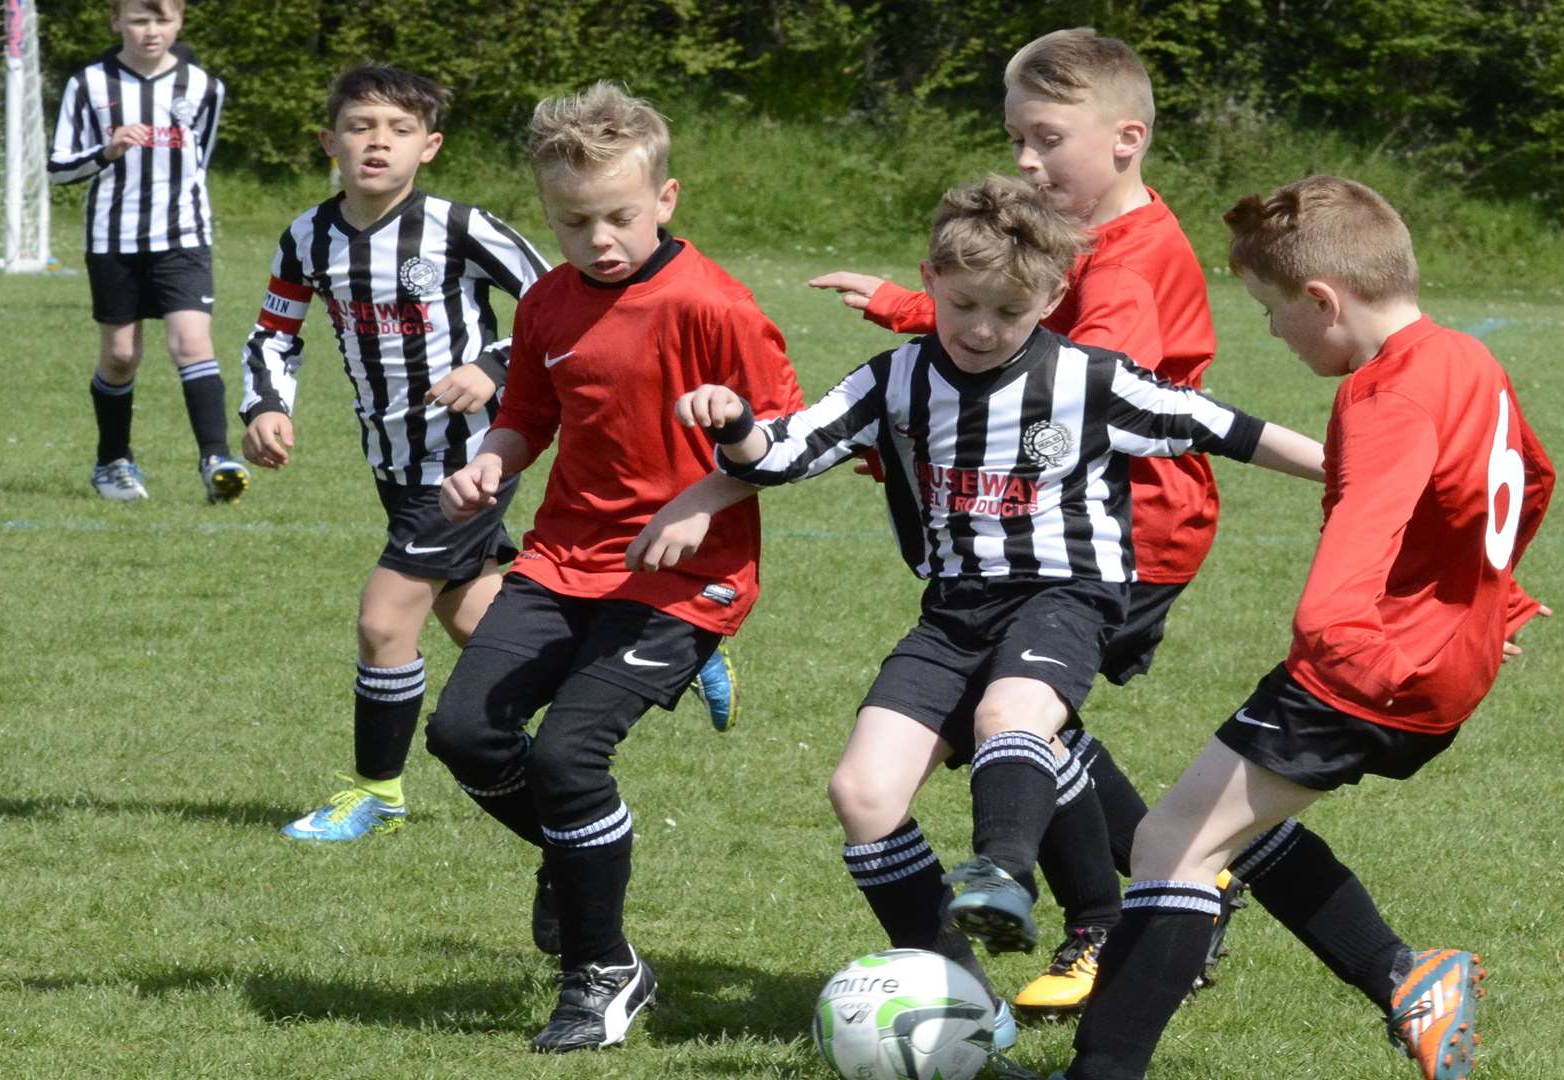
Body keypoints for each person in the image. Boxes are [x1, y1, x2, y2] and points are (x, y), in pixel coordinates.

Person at [646, 174, 1324, 1051]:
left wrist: (1359, 472)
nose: (980, 328)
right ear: (929, 278)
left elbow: (1227, 428)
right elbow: (782, 454)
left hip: (1065, 595)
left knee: (1013, 715)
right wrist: (733, 422)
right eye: (964, 303)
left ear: (1050, 298)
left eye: (1008, 311)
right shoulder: (893, 379)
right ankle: (970, 1007)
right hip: (954, 611)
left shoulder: (1086, 378)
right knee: (861, 793)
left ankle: (1003, 873)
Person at [1050, 175, 1556, 1080]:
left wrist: (1345, 645)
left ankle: (1102, 1071)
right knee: (1236, 820)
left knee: (1171, 847)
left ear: (1323, 299)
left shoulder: (1384, 398)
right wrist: (1490, 597)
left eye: (1271, 309)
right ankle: (1406, 976)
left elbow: (1354, 550)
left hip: (1367, 669)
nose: (1271, 330)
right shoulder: (1465, 358)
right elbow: (1531, 477)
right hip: (1438, 663)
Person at [809, 27, 1248, 1014]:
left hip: (1125, 531)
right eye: (1016, 139)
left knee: (1003, 715)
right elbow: (1002, 336)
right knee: (1017, 721)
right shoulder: (1095, 243)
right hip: (1056, 527)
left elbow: (1049, 388)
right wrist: (903, 319)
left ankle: (1132, 905)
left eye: (1046, 140)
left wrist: (900, 421)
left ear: (1124, 139)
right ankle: (1169, 887)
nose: (1025, 160)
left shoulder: (1130, 268)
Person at [423, 82, 804, 1054]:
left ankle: (601, 973)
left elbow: (791, 441)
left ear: (666, 199)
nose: (598, 239)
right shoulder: (548, 301)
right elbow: (532, 415)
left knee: (566, 758)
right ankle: (575, 857)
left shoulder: (713, 304)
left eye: (619, 217)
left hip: (687, 577)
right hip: (563, 557)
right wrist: (491, 463)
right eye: (572, 221)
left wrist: (705, 495)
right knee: (466, 733)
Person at [237, 65, 550, 842]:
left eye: (399, 129)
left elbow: (559, 300)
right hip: (393, 456)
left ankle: (376, 792)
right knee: (479, 622)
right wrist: (268, 404)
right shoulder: (308, 235)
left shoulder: (458, 227)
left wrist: (494, 366)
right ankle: (660, 646)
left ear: (430, 146)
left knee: (383, 622)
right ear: (329, 142)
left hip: (473, 454)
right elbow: (277, 331)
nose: (378, 142)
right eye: (361, 126)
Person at [48, 0, 248, 504]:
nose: (151, 31)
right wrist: (107, 151)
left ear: (179, 22)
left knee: (191, 343)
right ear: (116, 22)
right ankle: (112, 462)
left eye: (162, 20)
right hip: (112, 239)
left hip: (183, 235)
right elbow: (56, 169)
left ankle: (217, 460)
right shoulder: (88, 85)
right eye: (139, 20)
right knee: (120, 357)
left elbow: (200, 162)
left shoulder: (204, 88)